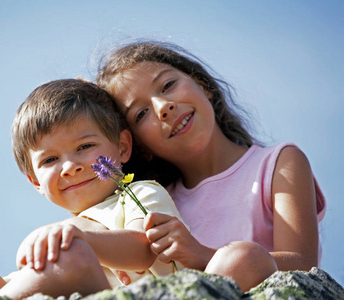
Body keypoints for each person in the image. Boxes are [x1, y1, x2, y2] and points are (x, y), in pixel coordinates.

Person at [0, 78, 187, 298]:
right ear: (35, 182)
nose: (70, 166)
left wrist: (83, 241)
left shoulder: (137, 194)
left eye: (85, 147)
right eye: (50, 159)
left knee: (71, 254)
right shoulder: (62, 234)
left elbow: (144, 250)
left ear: (123, 147)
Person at [95, 40, 326, 293]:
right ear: (139, 147)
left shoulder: (279, 164)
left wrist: (203, 256)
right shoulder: (152, 203)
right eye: (141, 114)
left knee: (243, 256)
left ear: (203, 85)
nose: (164, 107)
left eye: (168, 85)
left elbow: (303, 265)